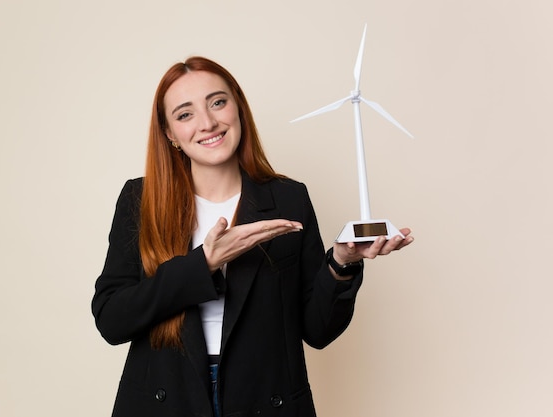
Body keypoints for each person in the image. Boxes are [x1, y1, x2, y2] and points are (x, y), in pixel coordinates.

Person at [92, 56, 413, 417]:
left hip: (264, 399)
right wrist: (205, 263)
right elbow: (112, 319)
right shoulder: (141, 200)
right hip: (165, 401)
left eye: (218, 102)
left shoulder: (288, 198)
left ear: (239, 108)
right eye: (185, 114)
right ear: (170, 134)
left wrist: (342, 263)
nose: (208, 122)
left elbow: (317, 331)